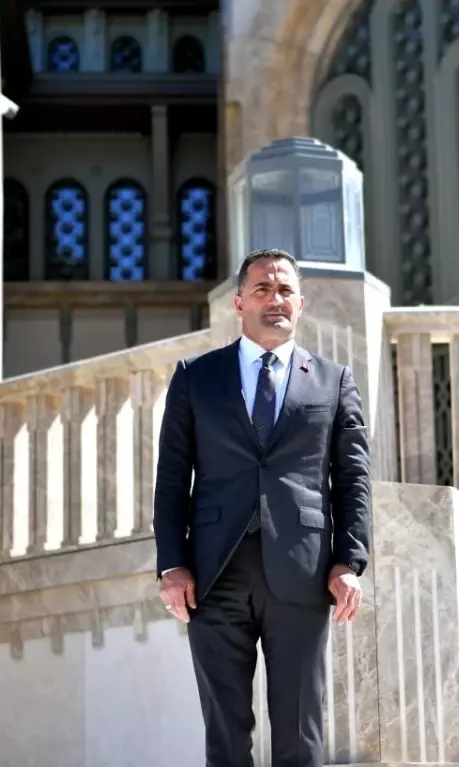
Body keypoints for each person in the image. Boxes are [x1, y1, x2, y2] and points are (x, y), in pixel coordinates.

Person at [153, 248, 372, 767]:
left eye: (285, 291)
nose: (275, 300)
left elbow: (352, 478)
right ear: (238, 302)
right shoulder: (195, 377)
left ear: (301, 304)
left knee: (301, 729)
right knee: (225, 733)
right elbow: (170, 478)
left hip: (303, 572)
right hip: (213, 572)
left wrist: (350, 561)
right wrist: (171, 563)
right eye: (262, 290)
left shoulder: (334, 380)